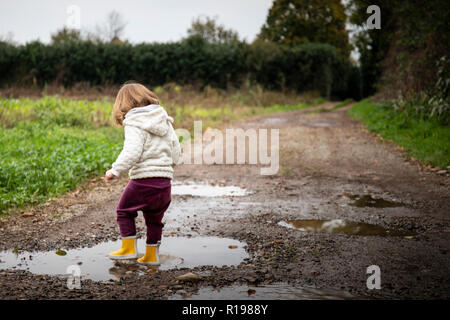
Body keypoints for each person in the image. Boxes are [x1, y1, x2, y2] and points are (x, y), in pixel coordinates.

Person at [105, 82, 180, 266]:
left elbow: (132, 151)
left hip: (143, 180)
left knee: (124, 211)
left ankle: (129, 249)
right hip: (164, 181)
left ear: (123, 104)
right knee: (154, 220)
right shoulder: (164, 120)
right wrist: (169, 165)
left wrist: (115, 170)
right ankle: (151, 256)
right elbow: (176, 148)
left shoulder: (133, 122)